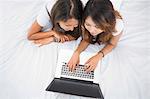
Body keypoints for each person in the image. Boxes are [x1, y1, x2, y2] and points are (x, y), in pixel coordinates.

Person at [67, 0, 124, 72]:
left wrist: (97, 57)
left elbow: (112, 44)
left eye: (97, 26)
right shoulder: (85, 17)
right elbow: (87, 38)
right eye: (88, 25)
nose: (92, 31)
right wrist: (76, 53)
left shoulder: (118, 25)